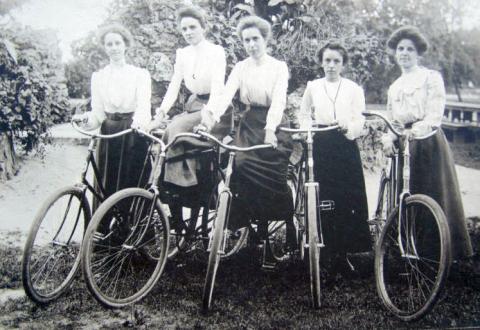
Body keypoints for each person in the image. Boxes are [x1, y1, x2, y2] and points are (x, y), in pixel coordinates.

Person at [381, 25, 473, 260]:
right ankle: (409, 250)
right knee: (406, 194)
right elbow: (393, 119)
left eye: (410, 49)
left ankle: (439, 253)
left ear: (418, 53)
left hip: (428, 143)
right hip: (405, 145)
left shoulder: (430, 78)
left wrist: (416, 131)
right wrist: (390, 136)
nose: (404, 53)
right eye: (400, 49)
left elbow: (435, 114)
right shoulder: (395, 86)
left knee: (433, 194)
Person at [200, 15, 294, 241]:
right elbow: (225, 95)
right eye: (246, 40)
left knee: (274, 173)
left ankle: (286, 217)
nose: (251, 44)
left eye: (255, 39)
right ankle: (248, 224)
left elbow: (279, 100)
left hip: (276, 123)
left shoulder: (278, 67)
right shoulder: (241, 68)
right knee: (239, 164)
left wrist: (271, 129)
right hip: (250, 124)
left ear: (265, 39)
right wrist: (210, 118)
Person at [297, 40, 372, 270]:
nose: (331, 65)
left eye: (336, 61)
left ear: (343, 64)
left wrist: (348, 125)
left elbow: (360, 119)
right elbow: (304, 114)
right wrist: (307, 129)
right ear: (321, 62)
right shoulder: (314, 86)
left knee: (346, 196)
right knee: (322, 195)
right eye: (327, 60)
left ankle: (343, 251)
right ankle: (321, 248)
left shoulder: (353, 88)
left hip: (344, 145)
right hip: (320, 144)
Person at [73, 23, 152, 210]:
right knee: (106, 180)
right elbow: (98, 114)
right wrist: (85, 119)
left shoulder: (139, 74)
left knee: (130, 181)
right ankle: (102, 228)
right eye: (109, 44)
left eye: (118, 43)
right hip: (108, 133)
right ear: (104, 47)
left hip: (133, 131)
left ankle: (130, 229)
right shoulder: (99, 77)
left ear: (125, 45)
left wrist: (138, 124)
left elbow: (143, 105)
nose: (114, 48)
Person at [149, 5, 226, 188]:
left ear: (203, 27)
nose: (188, 32)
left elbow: (218, 89)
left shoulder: (216, 51)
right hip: (195, 105)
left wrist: (208, 117)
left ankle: (181, 181)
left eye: (192, 27)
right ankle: (164, 185)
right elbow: (174, 86)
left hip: (215, 109)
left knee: (176, 127)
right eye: (184, 29)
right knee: (165, 131)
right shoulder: (183, 54)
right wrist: (160, 114)